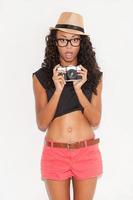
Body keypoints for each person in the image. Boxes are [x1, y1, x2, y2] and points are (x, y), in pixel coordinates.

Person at [32, 11, 103, 200]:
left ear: (81, 43)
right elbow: (42, 123)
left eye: (74, 40)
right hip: (55, 154)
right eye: (63, 40)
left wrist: (80, 89)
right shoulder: (42, 77)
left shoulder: (93, 76)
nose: (68, 46)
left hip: (86, 152)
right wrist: (57, 89)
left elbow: (95, 120)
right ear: (55, 42)